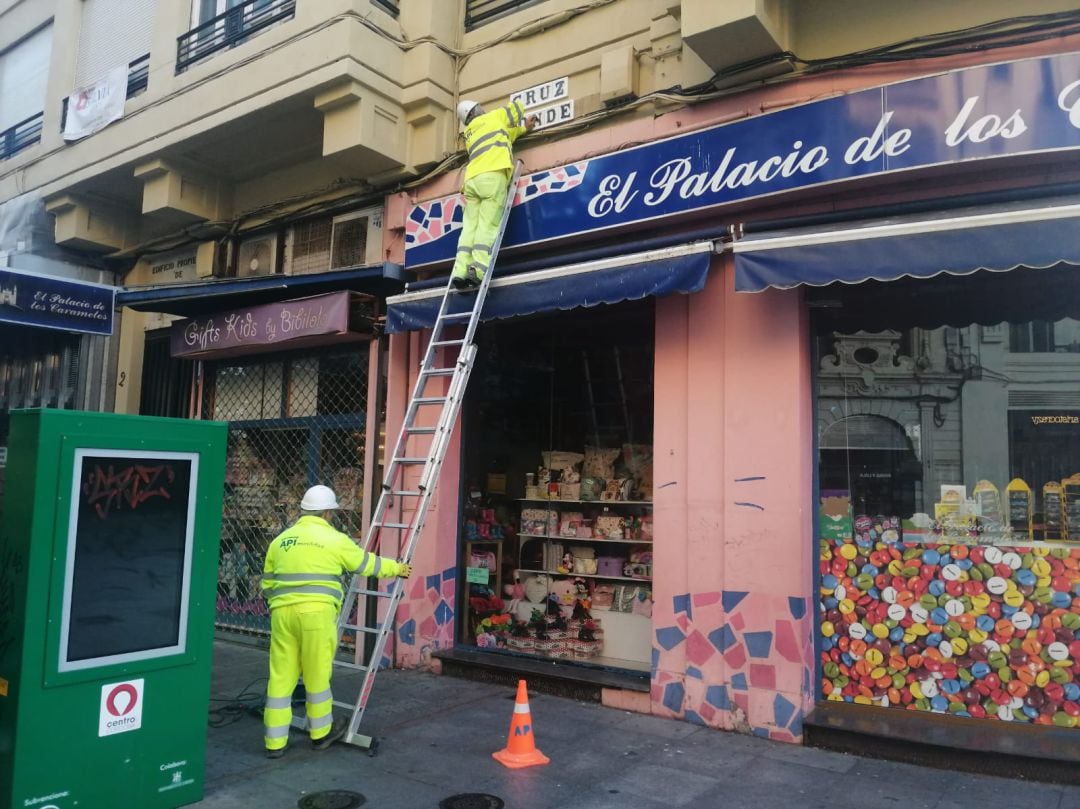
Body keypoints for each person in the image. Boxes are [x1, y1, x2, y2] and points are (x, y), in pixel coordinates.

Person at [260, 484, 412, 757]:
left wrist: (278, 605)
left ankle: (274, 743)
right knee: (317, 674)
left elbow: (268, 582)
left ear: (303, 510)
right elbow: (366, 565)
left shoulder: (280, 541)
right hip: (316, 616)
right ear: (329, 513)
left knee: (281, 677)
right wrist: (397, 568)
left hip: (282, 615)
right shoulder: (334, 540)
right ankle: (320, 734)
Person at [451, 98, 539, 290]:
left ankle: (460, 271)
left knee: (469, 229)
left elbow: (504, 134)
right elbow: (516, 109)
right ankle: (479, 269)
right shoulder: (494, 117)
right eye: (479, 106)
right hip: (492, 176)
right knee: (487, 225)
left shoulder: (470, 133)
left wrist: (524, 129)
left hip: (472, 181)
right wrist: (519, 104)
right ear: (474, 111)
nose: (483, 107)